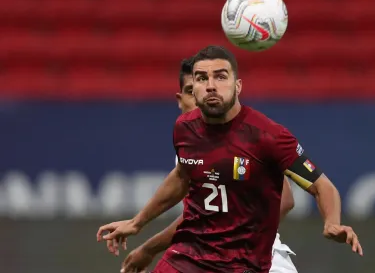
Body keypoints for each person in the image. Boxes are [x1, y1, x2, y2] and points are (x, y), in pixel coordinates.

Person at [97, 46, 363, 273]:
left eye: (220, 77)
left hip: (243, 263)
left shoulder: (268, 136)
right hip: (189, 256)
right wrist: (136, 222)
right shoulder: (184, 128)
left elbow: (321, 185)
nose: (210, 85)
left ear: (238, 86)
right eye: (201, 79)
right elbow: (181, 176)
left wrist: (332, 222)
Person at [103, 58, 299, 272]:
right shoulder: (188, 143)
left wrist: (239, 238)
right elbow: (201, 220)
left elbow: (286, 199)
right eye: (192, 90)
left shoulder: (245, 139)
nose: (203, 96)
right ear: (180, 100)